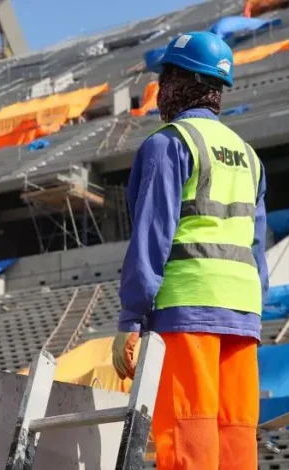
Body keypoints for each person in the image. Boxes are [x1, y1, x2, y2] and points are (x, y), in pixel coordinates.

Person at [112, 31, 268, 470]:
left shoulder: (169, 144)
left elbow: (152, 236)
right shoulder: (248, 155)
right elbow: (257, 247)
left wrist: (131, 318)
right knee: (235, 440)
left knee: (188, 437)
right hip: (241, 315)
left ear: (180, 82)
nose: (161, 90)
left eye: (165, 78)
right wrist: (252, 314)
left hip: (187, 310)